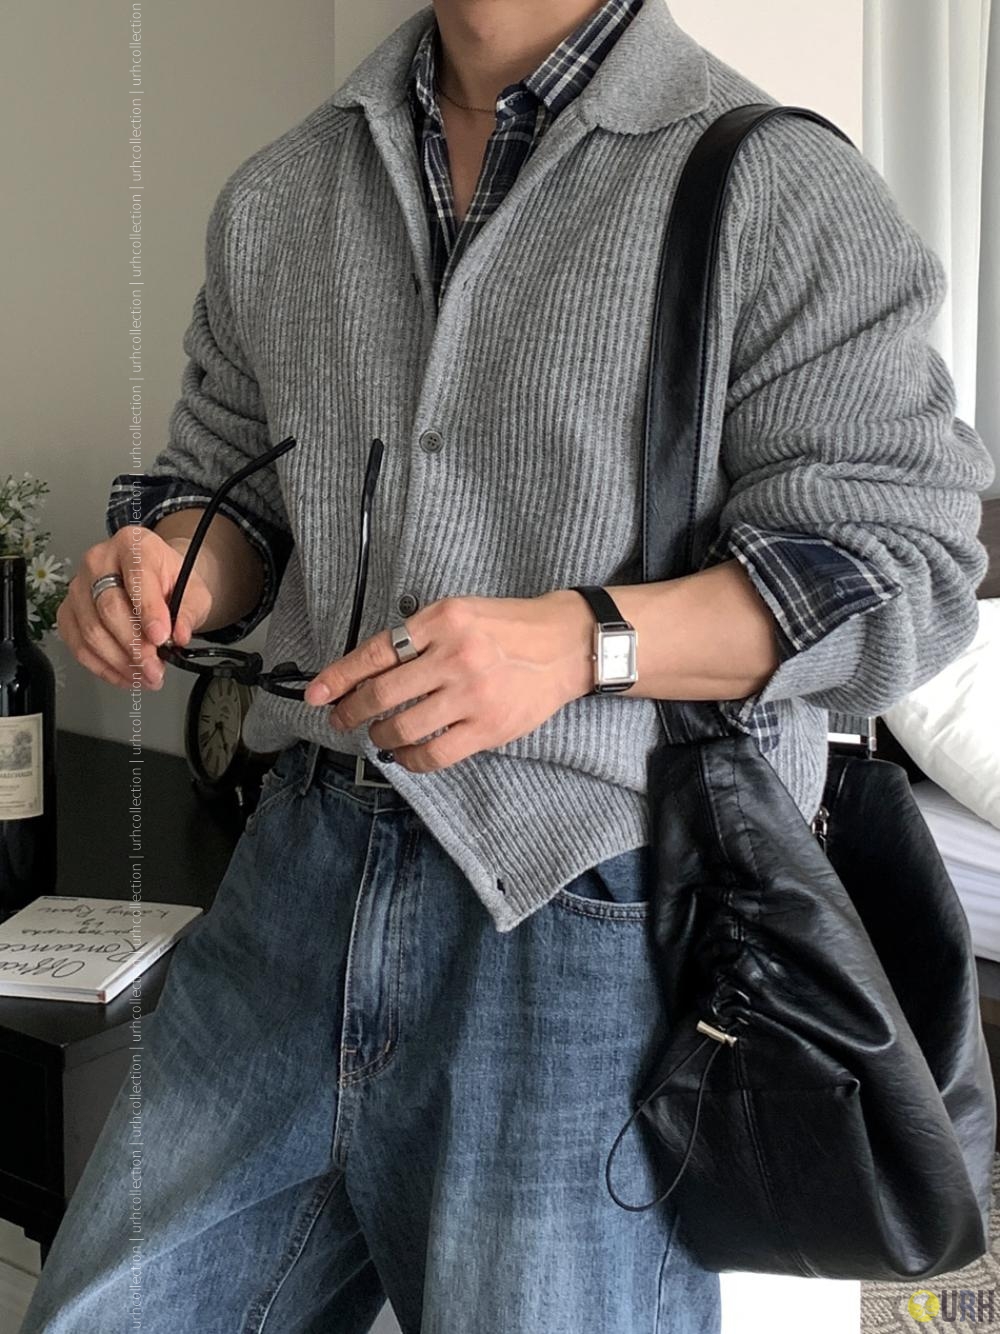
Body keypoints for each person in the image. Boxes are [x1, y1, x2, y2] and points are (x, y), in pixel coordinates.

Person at [25, 0, 995, 1331]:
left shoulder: (774, 184)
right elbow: (228, 485)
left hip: (591, 917)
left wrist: (584, 639)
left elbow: (906, 568)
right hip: (294, 876)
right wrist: (170, 569)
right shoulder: (287, 192)